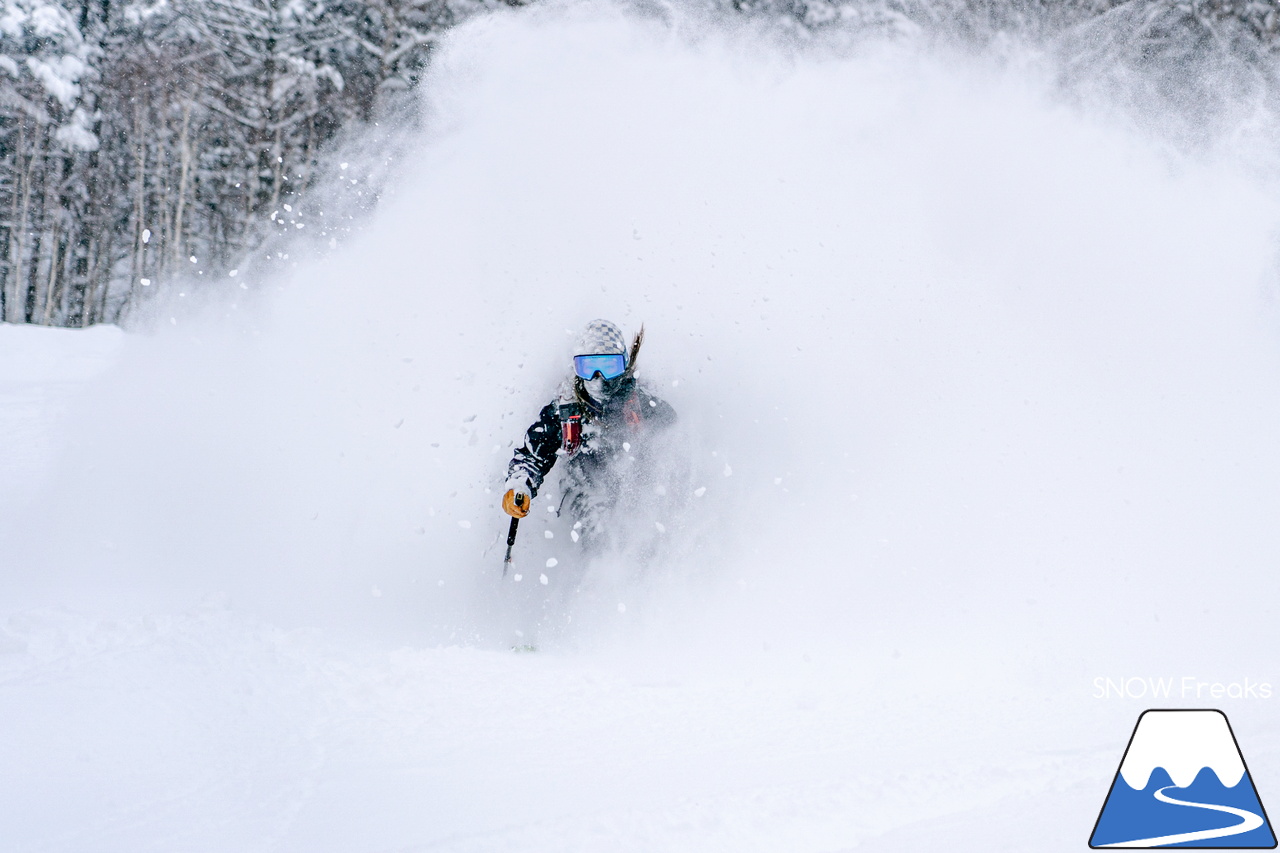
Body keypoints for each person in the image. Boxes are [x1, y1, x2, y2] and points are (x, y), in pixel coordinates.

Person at [502, 319, 676, 544]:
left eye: (609, 367)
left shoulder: (645, 407)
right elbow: (533, 455)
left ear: (624, 365)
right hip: (584, 491)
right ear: (576, 370)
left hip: (638, 490)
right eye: (588, 368)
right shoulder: (565, 411)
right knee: (599, 533)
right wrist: (521, 485)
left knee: (644, 531)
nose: (598, 378)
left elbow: (677, 448)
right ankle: (598, 570)